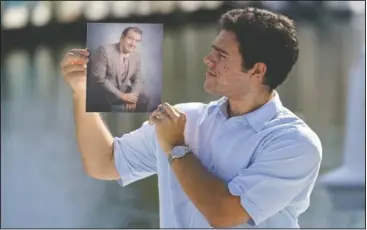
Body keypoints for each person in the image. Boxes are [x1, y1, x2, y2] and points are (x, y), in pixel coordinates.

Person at [60, 7, 322, 228]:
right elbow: (103, 164)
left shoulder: (295, 143)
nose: (208, 59)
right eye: (212, 50)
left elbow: (223, 213)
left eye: (221, 55)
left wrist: (176, 148)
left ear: (257, 70)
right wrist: (81, 92)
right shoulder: (184, 118)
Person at [86, 26, 149, 112]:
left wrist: (132, 98)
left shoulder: (136, 57)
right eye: (130, 39)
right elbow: (99, 79)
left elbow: (138, 79)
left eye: (137, 41)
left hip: (123, 92)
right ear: (122, 38)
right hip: (105, 94)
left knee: (145, 98)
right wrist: (122, 96)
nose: (133, 44)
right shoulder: (105, 50)